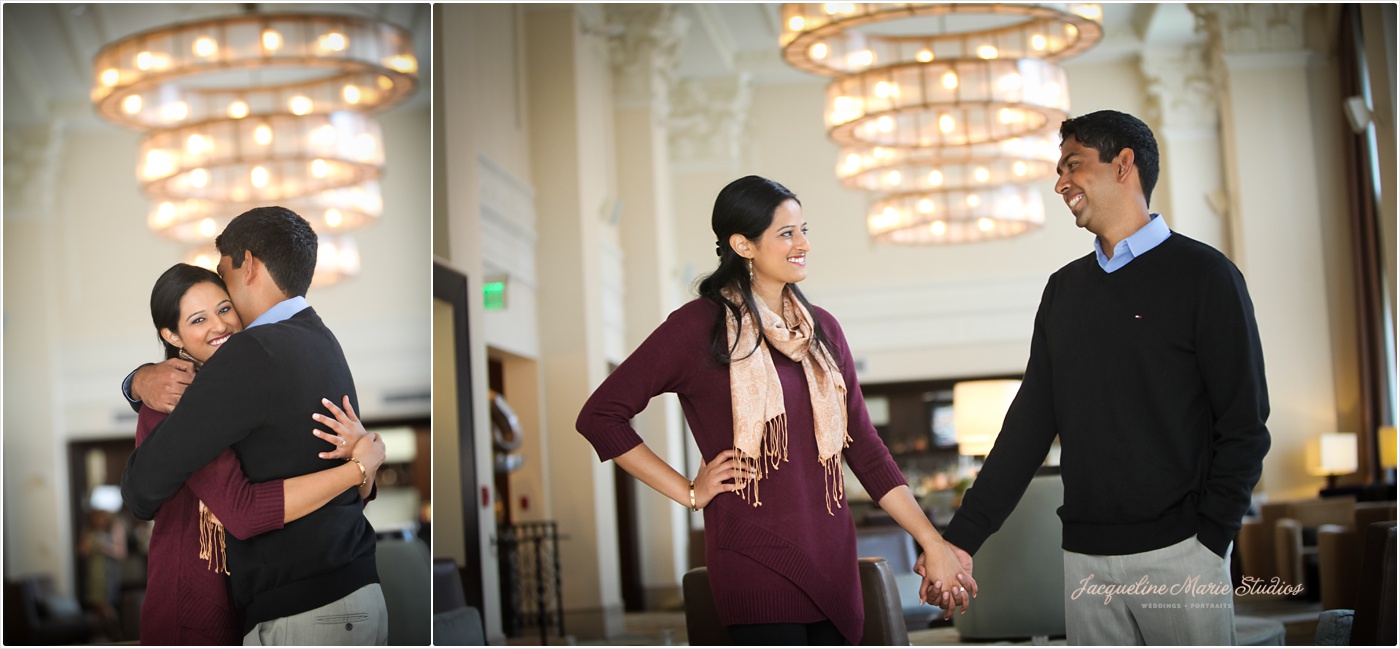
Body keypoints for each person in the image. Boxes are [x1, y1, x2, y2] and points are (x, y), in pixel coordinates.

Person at [576, 175, 975, 646]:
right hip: (753, 560)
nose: (803, 244)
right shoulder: (697, 328)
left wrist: (931, 540)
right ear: (742, 244)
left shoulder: (822, 329)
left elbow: (865, 448)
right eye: (786, 233)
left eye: (804, 229)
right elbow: (601, 416)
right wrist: (688, 491)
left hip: (833, 557)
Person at [940, 110, 1271, 645]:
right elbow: (1026, 429)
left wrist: (1212, 535)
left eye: (1073, 164)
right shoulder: (1063, 291)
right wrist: (962, 541)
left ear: (1123, 165)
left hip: (1183, 551)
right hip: (1084, 558)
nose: (1060, 181)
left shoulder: (1206, 275)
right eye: (1059, 168)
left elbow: (1245, 421)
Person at [121, 206, 387, 645]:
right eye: (198, 318)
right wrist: (138, 382)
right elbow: (337, 480)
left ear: (250, 266)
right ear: (172, 335)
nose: (222, 322)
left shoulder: (253, 353)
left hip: (308, 607)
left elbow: (142, 486)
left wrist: (361, 470)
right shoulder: (322, 340)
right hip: (349, 593)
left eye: (224, 286)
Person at [78, 508, 127, 641]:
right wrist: (89, 546)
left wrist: (105, 547)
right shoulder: (88, 529)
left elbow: (122, 552)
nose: (99, 521)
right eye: (96, 518)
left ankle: (117, 634)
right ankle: (100, 636)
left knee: (105, 604)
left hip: (109, 572)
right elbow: (82, 551)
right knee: (96, 605)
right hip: (94, 573)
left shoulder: (115, 527)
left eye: (102, 518)